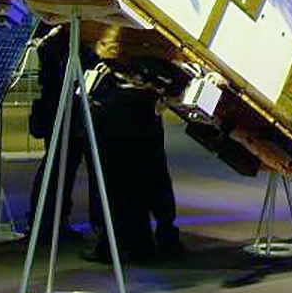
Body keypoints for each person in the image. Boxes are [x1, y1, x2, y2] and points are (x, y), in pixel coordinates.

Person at [81, 56, 185, 263]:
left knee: (113, 182)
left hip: (115, 110)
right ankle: (157, 239)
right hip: (144, 108)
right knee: (151, 177)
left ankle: (115, 245)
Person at [25, 25, 96, 243]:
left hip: (59, 112)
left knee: (57, 169)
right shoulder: (63, 46)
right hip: (67, 113)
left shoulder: (51, 43)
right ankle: (47, 224)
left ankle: (46, 222)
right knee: (59, 169)